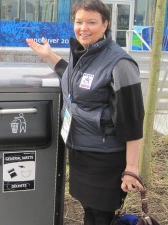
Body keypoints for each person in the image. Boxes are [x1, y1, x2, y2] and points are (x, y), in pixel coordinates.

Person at [26, 0, 145, 225]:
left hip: (105, 158)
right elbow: (74, 81)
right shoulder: (82, 53)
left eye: (91, 22)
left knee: (101, 214)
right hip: (81, 150)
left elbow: (133, 119)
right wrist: (49, 56)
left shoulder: (120, 63)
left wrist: (131, 168)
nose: (84, 27)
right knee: (89, 210)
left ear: (105, 24)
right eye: (79, 21)